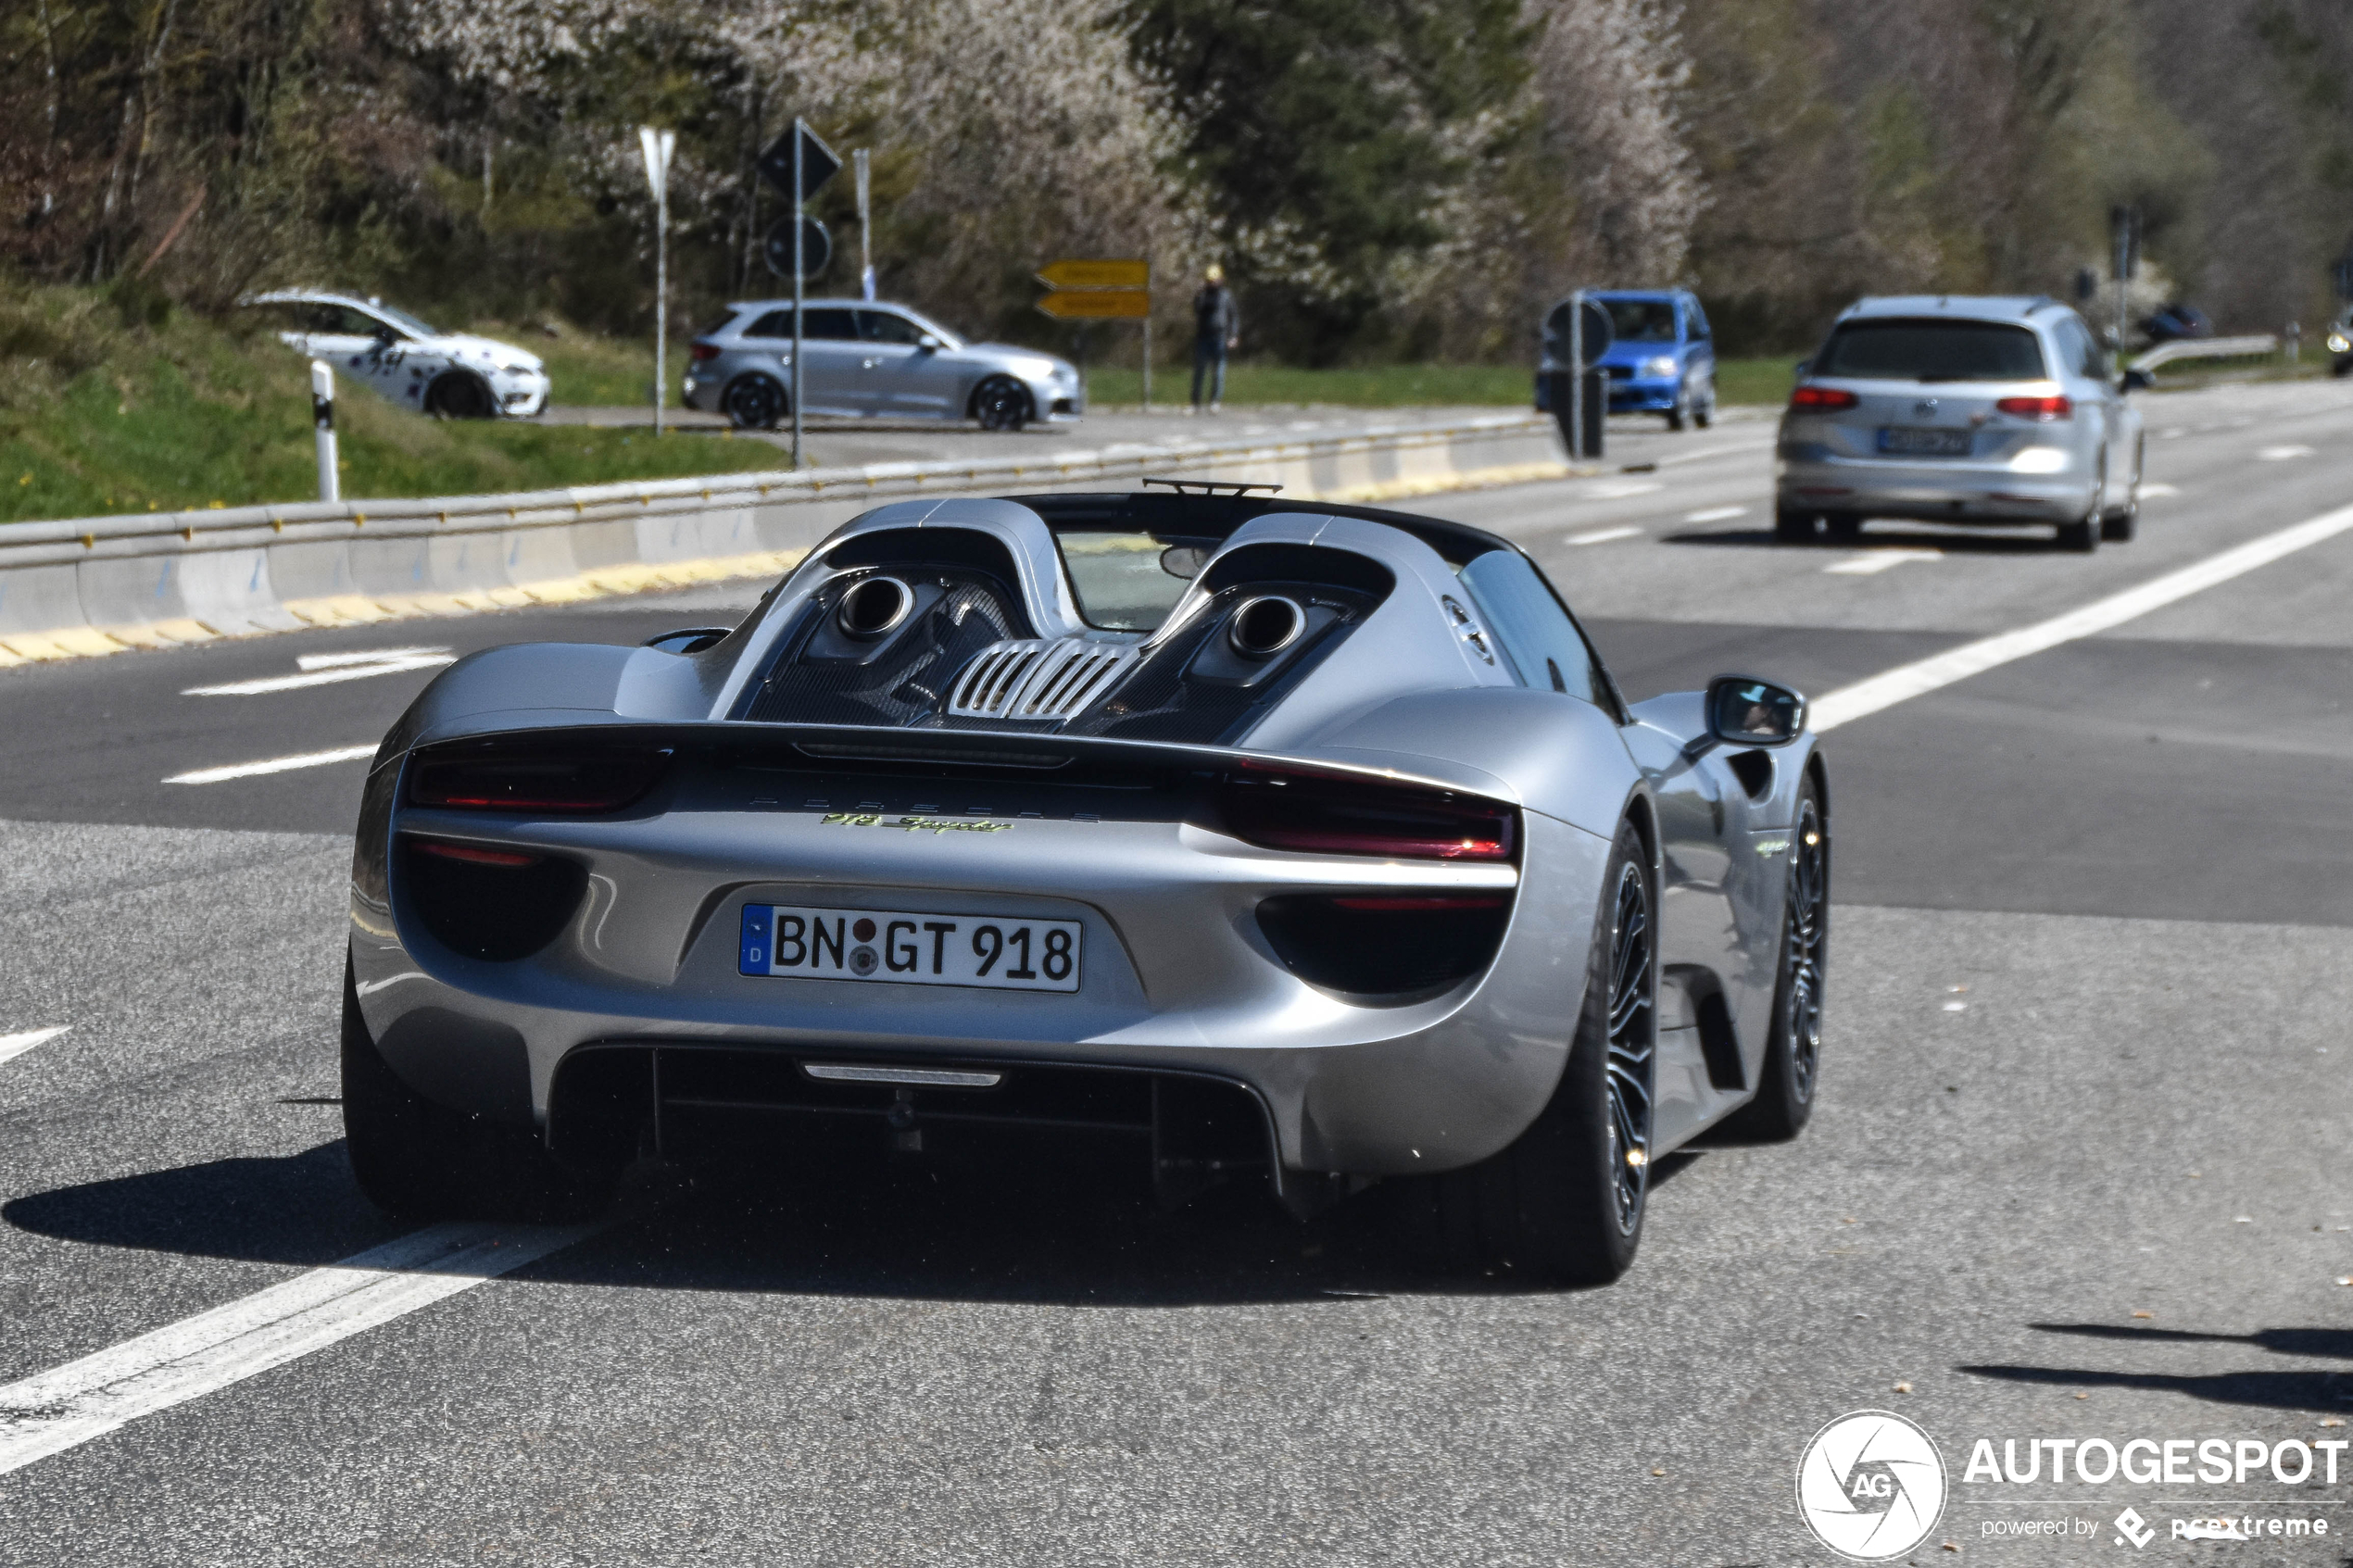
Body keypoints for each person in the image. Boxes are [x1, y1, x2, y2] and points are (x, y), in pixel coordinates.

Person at [1190, 265, 1239, 413]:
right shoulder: (1202, 295)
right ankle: (1195, 403)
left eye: (1214, 280)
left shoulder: (1226, 296)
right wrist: (1199, 294)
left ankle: (1215, 401)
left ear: (1220, 280)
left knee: (1218, 372)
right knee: (1200, 370)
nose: (1212, 283)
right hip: (1204, 337)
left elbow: (1233, 316)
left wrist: (1233, 336)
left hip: (1220, 337)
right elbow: (1196, 309)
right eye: (1209, 280)